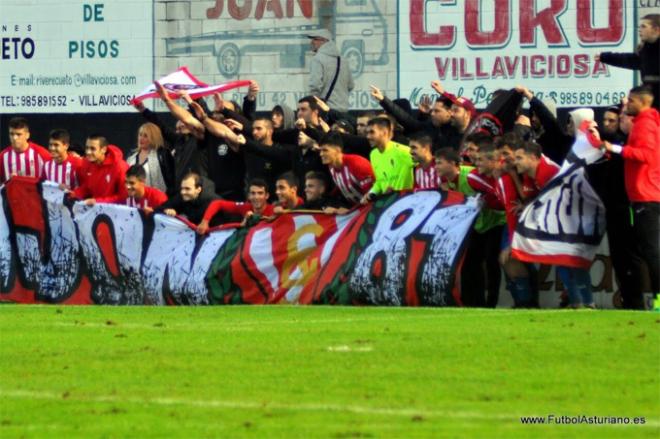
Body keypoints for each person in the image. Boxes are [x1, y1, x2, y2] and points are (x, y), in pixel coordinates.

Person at [602, 85, 660, 310]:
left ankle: (657, 298)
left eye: (631, 101)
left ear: (643, 102)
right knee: (649, 250)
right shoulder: (647, 123)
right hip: (645, 193)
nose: (627, 105)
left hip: (645, 195)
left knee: (651, 250)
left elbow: (645, 154)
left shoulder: (645, 124)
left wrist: (615, 149)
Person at [599, 14, 660, 110]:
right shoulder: (646, 50)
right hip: (651, 102)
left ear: (656, 29)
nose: (640, 29)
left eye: (644, 26)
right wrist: (605, 57)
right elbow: (630, 60)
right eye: (639, 27)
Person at [361, 117, 414, 204]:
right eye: (367, 133)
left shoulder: (403, 151)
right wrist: (371, 193)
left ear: (384, 133)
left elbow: (428, 162)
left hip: (405, 203)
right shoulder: (373, 154)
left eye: (372, 132)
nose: (368, 137)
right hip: (387, 205)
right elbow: (380, 181)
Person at [197, 178, 274, 234]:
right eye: (253, 193)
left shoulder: (274, 211)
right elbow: (218, 203)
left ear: (267, 196)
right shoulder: (245, 207)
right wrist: (205, 222)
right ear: (249, 196)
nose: (256, 197)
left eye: (260, 193)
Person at [318, 133, 374, 206]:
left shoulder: (357, 164)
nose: (321, 154)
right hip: (356, 209)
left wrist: (346, 210)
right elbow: (341, 187)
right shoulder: (331, 166)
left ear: (338, 150)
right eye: (320, 151)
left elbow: (371, 195)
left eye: (325, 150)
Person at [306, 29, 354, 113]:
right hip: (343, 110)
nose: (311, 42)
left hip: (325, 110)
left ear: (324, 41)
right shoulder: (343, 60)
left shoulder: (317, 59)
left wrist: (311, 107)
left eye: (315, 39)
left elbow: (315, 86)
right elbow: (350, 85)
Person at [72, 135, 128, 205]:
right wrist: (74, 194)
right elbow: (87, 187)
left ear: (103, 150)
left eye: (93, 149)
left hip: (115, 212)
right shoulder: (86, 162)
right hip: (95, 209)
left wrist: (97, 201)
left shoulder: (120, 167)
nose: (88, 152)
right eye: (87, 148)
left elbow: (123, 197)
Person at [126, 122, 174, 195]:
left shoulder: (162, 155)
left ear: (154, 138)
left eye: (145, 136)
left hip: (157, 199)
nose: (141, 138)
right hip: (133, 199)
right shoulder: (131, 157)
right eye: (140, 135)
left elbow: (171, 181)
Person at [1, 117, 49, 183]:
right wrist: (9, 182)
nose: (14, 138)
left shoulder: (42, 154)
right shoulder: (3, 156)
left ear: (27, 135)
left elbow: (52, 180)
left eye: (18, 134)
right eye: (11, 134)